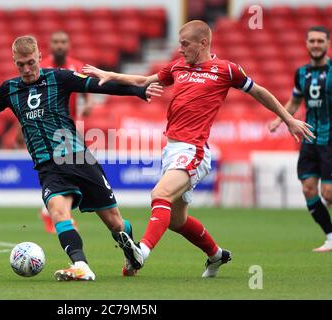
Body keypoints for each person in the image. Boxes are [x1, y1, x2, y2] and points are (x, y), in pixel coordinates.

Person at [0, 35, 163, 281]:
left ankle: (131, 251)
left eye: (31, 62)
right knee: (58, 212)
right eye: (21, 64)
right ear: (14, 61)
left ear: (40, 57)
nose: (27, 69)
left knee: (114, 223)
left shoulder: (59, 78)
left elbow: (99, 85)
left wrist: (137, 91)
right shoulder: (9, 89)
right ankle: (81, 265)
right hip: (47, 166)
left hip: (76, 158)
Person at [83, 20, 315, 277]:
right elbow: (145, 79)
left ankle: (142, 252)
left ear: (203, 43)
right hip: (171, 149)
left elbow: (259, 92)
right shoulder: (178, 66)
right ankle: (217, 256)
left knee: (159, 194)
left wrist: (288, 119)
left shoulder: (226, 70)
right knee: (176, 221)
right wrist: (110, 75)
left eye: (185, 44)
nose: (180, 49)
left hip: (194, 150)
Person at [15, 31, 93, 234]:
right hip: (48, 129)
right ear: (47, 48)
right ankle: (56, 212)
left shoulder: (76, 65)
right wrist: (19, 130)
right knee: (64, 170)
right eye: (56, 42)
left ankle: (50, 210)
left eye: (63, 42)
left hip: (69, 126)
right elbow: (27, 102)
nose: (59, 45)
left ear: (68, 45)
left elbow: (85, 91)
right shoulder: (39, 67)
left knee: (72, 169)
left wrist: (88, 103)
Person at [269, 26, 332, 252]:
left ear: (327, 43)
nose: (316, 45)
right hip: (308, 140)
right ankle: (330, 237)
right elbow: (295, 101)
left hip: (329, 140)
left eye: (320, 41)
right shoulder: (302, 73)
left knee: (328, 193)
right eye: (312, 41)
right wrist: (281, 119)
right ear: (306, 44)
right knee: (308, 189)